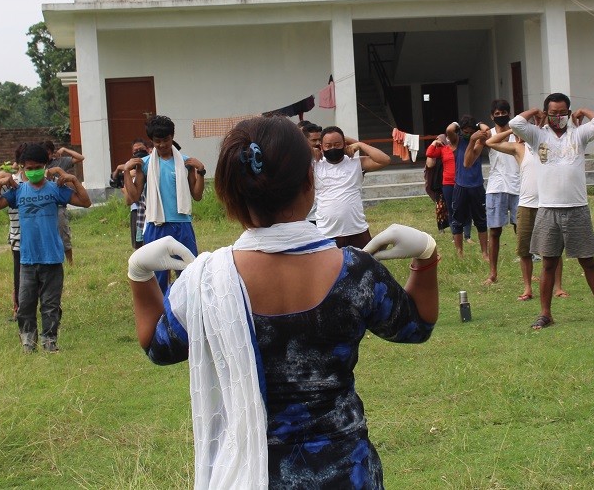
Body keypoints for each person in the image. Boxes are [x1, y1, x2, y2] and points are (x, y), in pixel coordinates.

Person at [129, 115, 438, 488]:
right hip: (344, 473)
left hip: (251, 475)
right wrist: (426, 255)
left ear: (228, 194)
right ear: (310, 182)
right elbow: (416, 325)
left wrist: (140, 274)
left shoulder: (208, 282)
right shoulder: (356, 271)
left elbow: (157, 346)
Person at [510, 93, 594, 329]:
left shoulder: (578, 135)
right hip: (548, 209)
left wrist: (584, 112)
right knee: (548, 264)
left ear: (569, 113)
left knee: (588, 262)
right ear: (546, 113)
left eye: (562, 112)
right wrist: (533, 112)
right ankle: (545, 314)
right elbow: (515, 124)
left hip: (577, 208)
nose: (557, 117)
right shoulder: (536, 135)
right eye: (553, 112)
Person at [0, 143, 91, 352]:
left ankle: (50, 340)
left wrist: (72, 180)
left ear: (46, 166)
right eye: (29, 167)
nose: (33, 171)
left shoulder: (56, 189)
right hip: (27, 258)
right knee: (25, 304)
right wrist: (0, 184)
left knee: (50, 304)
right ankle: (28, 341)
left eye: (37, 167)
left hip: (52, 257)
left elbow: (85, 202)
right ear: (23, 168)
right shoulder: (18, 192)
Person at [123, 115, 207, 292]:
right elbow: (133, 197)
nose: (162, 145)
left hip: (182, 224)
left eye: (166, 140)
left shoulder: (186, 163)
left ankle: (186, 314)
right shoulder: (144, 164)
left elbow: (197, 195)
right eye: (157, 141)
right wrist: (125, 171)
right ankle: (160, 316)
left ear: (172, 137)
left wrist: (201, 171)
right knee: (157, 277)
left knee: (189, 273)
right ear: (151, 142)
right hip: (156, 225)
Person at [485, 125, 566, 302]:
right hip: (526, 205)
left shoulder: (546, 148)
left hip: (548, 204)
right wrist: (511, 132)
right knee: (524, 249)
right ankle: (527, 288)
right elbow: (490, 141)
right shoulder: (519, 149)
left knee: (553, 248)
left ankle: (558, 287)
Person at [314, 125, 391, 247]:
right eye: (328, 146)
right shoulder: (316, 166)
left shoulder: (356, 162)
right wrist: (309, 150)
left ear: (345, 145)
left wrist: (359, 144)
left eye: (337, 144)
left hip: (357, 229)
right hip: (327, 232)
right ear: (321, 148)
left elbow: (385, 160)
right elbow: (289, 160)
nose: (333, 148)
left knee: (364, 265)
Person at [469, 99, 520, 285]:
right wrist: (474, 140)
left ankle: (527, 272)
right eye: (496, 114)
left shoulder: (519, 132)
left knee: (520, 231)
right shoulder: (488, 134)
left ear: (509, 113)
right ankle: (493, 273)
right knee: (495, 232)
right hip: (496, 186)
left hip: (518, 185)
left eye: (503, 113)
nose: (500, 116)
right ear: (492, 116)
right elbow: (472, 156)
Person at [0, 143, 28, 318]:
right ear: (20, 163)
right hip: (17, 236)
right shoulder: (12, 182)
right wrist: (0, 177)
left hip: (35, 236)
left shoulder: (40, 181)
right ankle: (18, 309)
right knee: (20, 275)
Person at [445, 115, 489, 259]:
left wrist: (479, 123)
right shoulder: (456, 141)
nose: (468, 134)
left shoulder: (478, 142)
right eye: (465, 131)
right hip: (460, 185)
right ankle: (459, 253)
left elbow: (487, 131)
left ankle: (484, 252)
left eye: (471, 131)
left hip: (476, 185)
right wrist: (457, 125)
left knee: (481, 220)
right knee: (457, 220)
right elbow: (449, 129)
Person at [425, 134, 473, 240]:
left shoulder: (463, 148)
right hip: (447, 184)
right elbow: (429, 153)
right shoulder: (443, 149)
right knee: (452, 210)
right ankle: (455, 235)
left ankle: (467, 236)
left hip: (462, 182)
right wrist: (434, 143)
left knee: (466, 208)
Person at [44, 140, 85, 266]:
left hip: (59, 204)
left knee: (63, 234)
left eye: (49, 153)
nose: (47, 157)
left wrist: (65, 150)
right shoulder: (38, 165)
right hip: (45, 206)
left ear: (52, 153)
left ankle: (70, 262)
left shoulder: (59, 162)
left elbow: (80, 157)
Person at [112, 139, 151, 250]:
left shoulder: (152, 165)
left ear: (147, 150)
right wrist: (126, 173)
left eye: (142, 149)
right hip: (137, 211)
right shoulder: (130, 168)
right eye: (136, 150)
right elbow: (129, 199)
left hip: (153, 209)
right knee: (139, 245)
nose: (139, 152)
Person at [297, 121, 323, 224]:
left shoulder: (328, 156)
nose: (317, 143)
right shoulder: (298, 159)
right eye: (314, 140)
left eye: (319, 140)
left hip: (323, 216)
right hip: (306, 217)